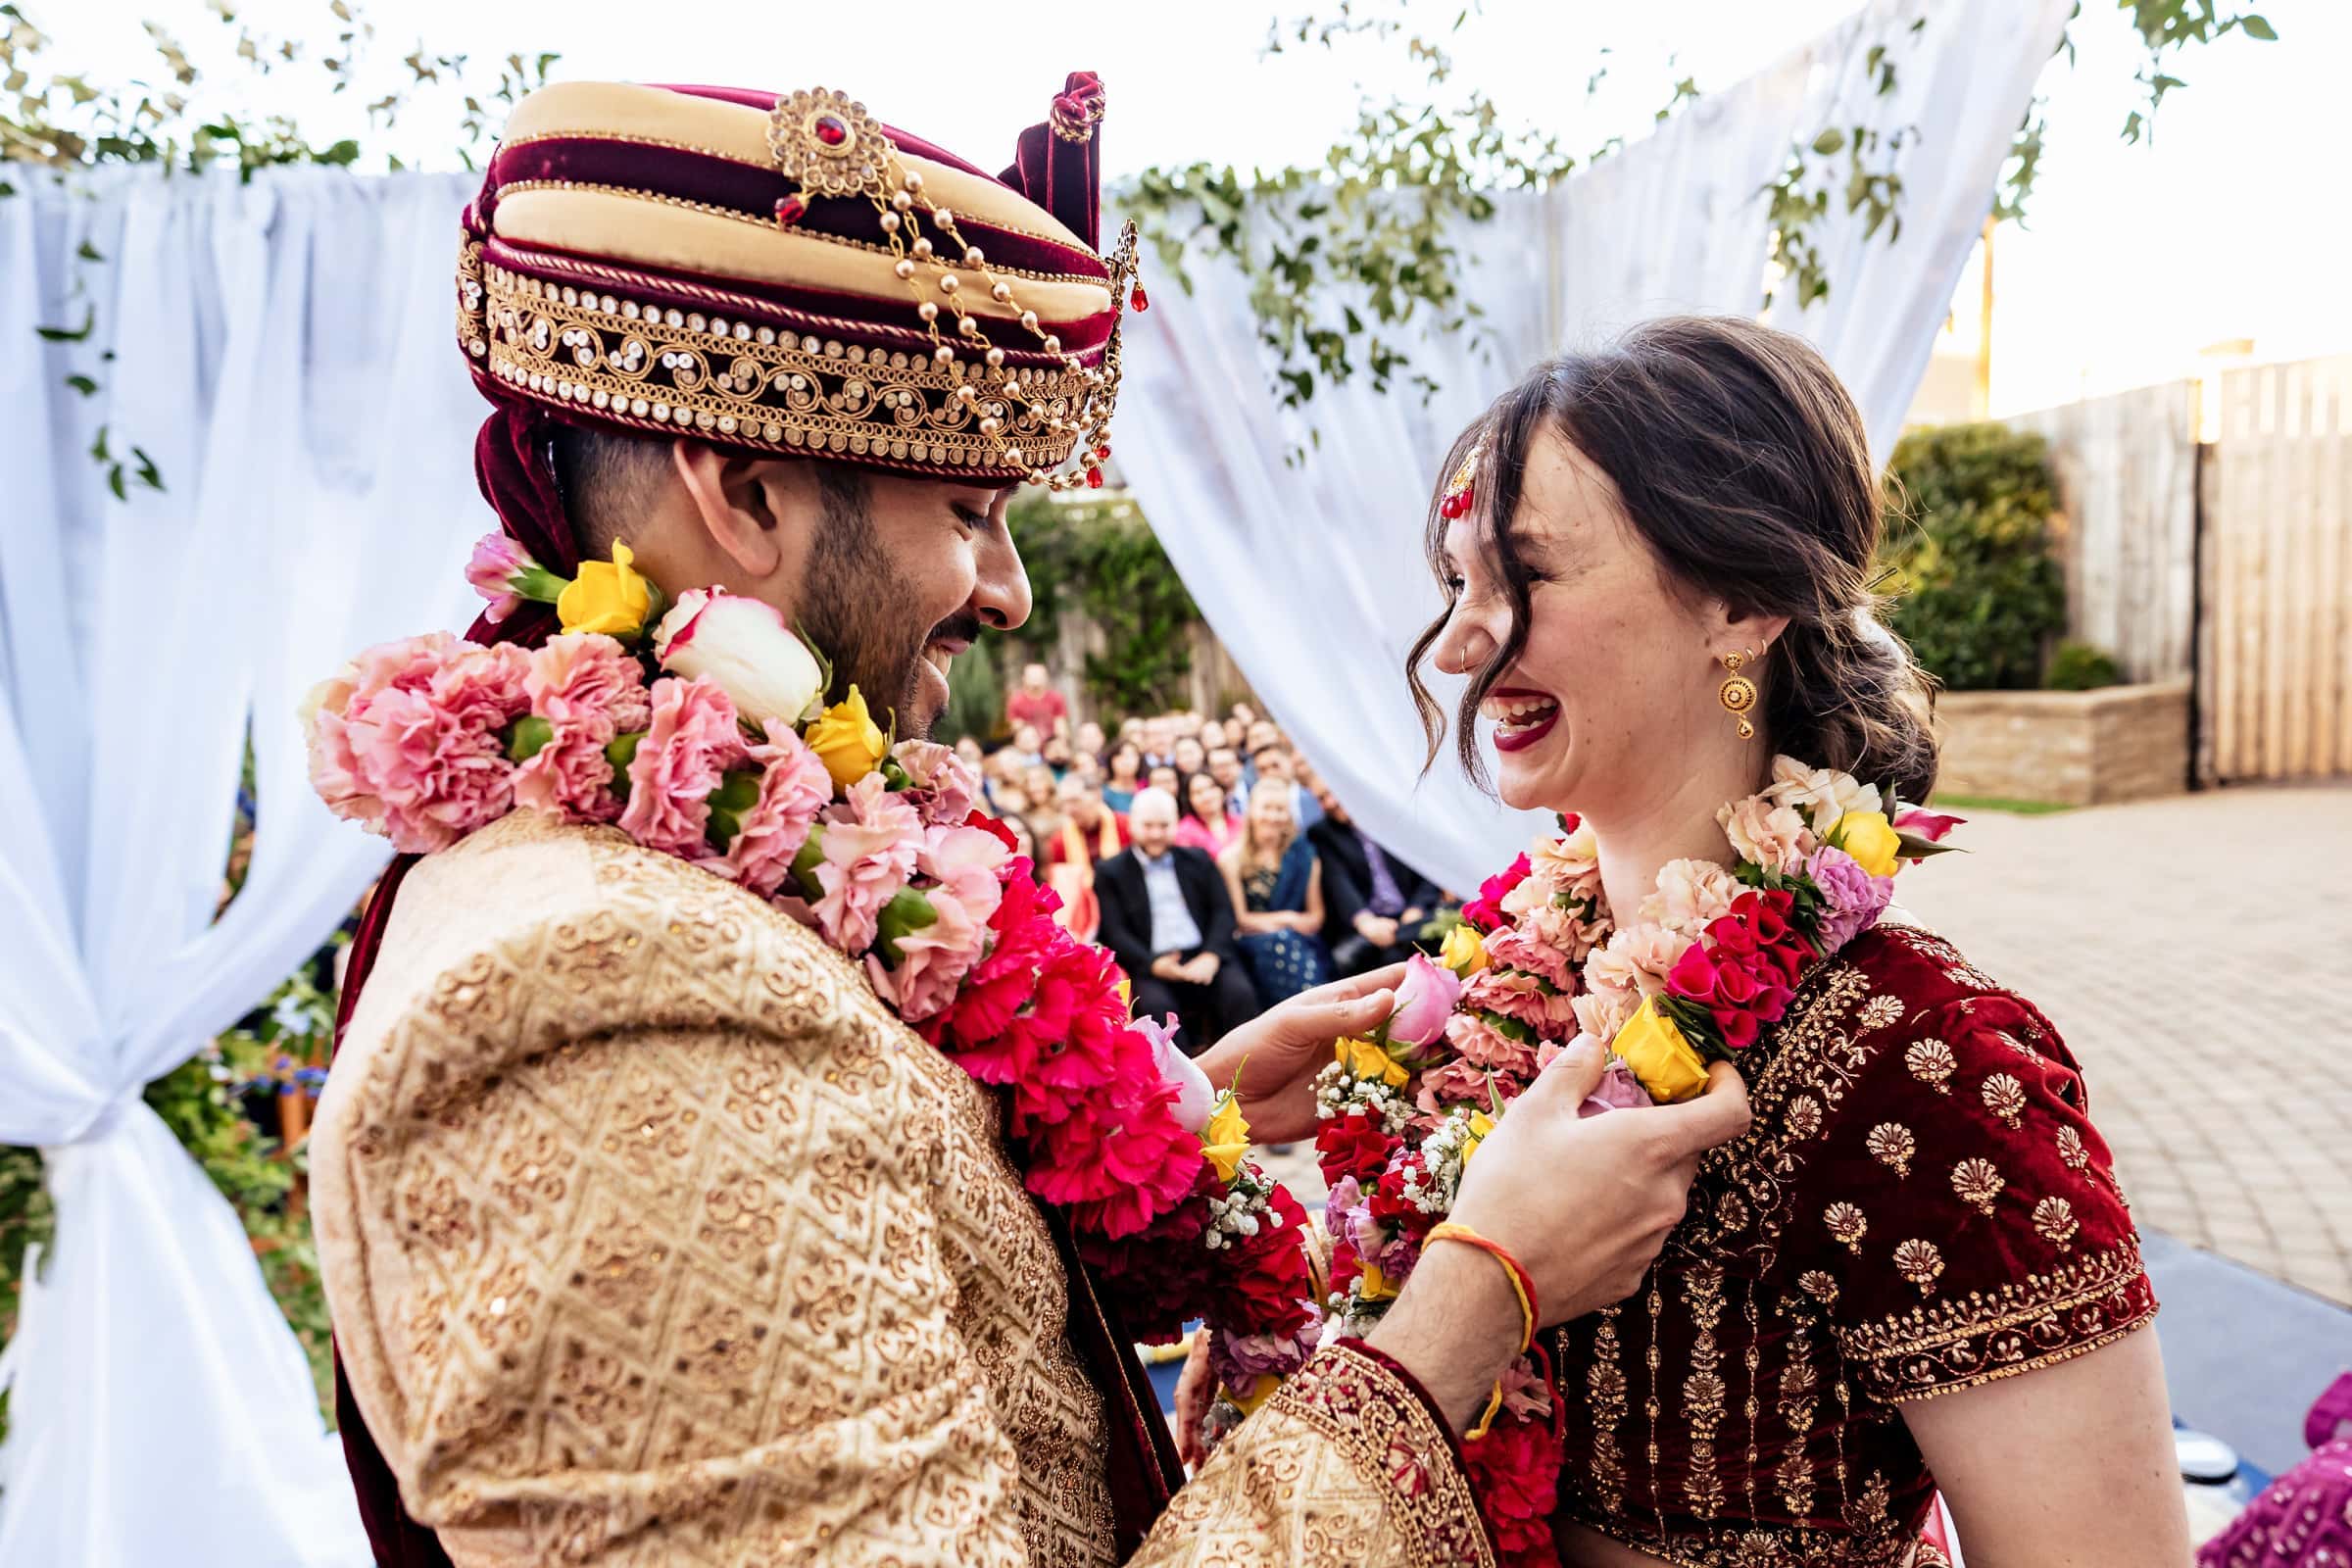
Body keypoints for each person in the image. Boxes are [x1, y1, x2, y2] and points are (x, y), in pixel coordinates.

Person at [305, 74, 1758, 1568]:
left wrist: (1178, 1112)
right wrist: (1477, 1298)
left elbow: (878, 1273)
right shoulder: (596, 994)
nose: (1007, 592)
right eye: (968, 513)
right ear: (744, 492)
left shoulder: (672, 879)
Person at [1407, 317, 2185, 1567]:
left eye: (1526, 576)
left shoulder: (1928, 1062)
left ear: (1742, 604)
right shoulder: (1501, 992)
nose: (1457, 645)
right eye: (1458, 585)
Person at [1094, 787, 1258, 1054]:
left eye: (1164, 825)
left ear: (1176, 825)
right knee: (1155, 1009)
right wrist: (1153, 964)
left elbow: (1222, 911)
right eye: (1148, 826)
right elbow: (1114, 931)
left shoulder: (1198, 859)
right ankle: (1192, 1075)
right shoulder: (1110, 872)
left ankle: (1248, 1064)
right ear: (1132, 825)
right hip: (1151, 963)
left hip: (1205, 955)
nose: (1156, 834)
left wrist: (1211, 956)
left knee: (1239, 993)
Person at [1218, 784, 1335, 1004]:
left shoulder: (1305, 855)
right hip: (1253, 943)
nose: (1273, 817)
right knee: (1278, 941)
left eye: (1280, 809)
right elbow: (1242, 919)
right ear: (1252, 810)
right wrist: (1288, 919)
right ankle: (1307, 1007)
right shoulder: (1231, 859)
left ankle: (1315, 1006)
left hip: (1301, 940)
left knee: (1286, 941)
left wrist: (1287, 926)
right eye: (1266, 808)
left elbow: (1315, 917)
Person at [1308, 781, 1440, 974]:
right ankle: (1402, 936)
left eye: (1332, 793)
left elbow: (1427, 869)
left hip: (1412, 914)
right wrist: (1366, 922)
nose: (1330, 802)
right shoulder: (1323, 834)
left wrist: (1416, 908)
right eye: (1321, 798)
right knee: (1392, 958)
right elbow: (1338, 882)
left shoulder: (1392, 817)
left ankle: (1400, 935)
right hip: (1372, 922)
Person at [1045, 774, 1131, 942]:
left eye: (1075, 801)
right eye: (1064, 803)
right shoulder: (1059, 842)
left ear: (1097, 795)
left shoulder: (1125, 826)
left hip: (1125, 904)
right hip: (1085, 916)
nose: (1070, 809)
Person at [1172, 769, 1241, 858]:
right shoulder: (1184, 832)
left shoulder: (1240, 822)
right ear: (1189, 799)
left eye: (1211, 787)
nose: (1207, 796)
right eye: (1198, 792)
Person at [1005, 659, 1069, 739]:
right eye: (1032, 676)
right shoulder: (1016, 700)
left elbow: (1061, 726)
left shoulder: (1056, 698)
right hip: (1027, 742)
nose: (1035, 679)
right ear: (1024, 678)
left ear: (1046, 678)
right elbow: (1016, 729)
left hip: (1051, 742)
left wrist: (1060, 740)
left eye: (1039, 676)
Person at [1205, 746, 1249, 821]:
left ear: (1239, 765)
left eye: (1226, 765)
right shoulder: (1209, 801)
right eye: (1216, 767)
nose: (1222, 771)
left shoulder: (1255, 788)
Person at [1102, 739, 1145, 812]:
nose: (1126, 761)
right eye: (1120, 755)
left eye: (1131, 756)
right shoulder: (1103, 793)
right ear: (1111, 760)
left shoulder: (1146, 789)